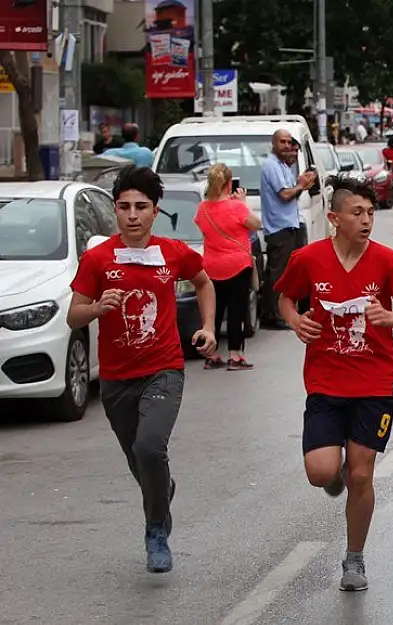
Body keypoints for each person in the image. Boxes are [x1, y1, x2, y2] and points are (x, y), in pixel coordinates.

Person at [274, 176, 393, 591]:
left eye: (368, 213)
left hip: (374, 385)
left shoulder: (386, 261)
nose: (365, 221)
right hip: (325, 383)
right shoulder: (308, 259)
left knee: (362, 475)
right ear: (334, 218)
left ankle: (355, 558)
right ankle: (334, 473)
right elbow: (286, 298)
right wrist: (295, 321)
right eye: (356, 213)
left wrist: (391, 317)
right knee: (320, 471)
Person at [67, 165, 218, 573]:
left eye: (141, 207)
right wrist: (98, 307)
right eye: (124, 207)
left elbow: (204, 282)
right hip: (117, 379)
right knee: (141, 462)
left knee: (150, 447)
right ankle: (161, 491)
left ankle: (155, 531)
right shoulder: (98, 259)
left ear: (155, 211)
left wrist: (206, 327)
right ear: (115, 211)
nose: (132, 215)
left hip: (164, 368)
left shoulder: (173, 253)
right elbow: (73, 316)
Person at [195, 164, 262, 370]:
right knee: (237, 310)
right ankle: (235, 355)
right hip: (237, 265)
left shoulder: (203, 208)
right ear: (229, 184)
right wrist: (242, 202)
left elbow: (201, 225)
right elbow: (256, 224)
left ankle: (212, 354)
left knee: (214, 310)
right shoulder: (237, 207)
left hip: (212, 266)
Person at [260, 130, 317, 329]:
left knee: (289, 271)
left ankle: (280, 311)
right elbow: (285, 194)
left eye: (288, 143)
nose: (286, 146)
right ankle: (275, 315)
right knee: (278, 274)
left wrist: (303, 183)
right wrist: (301, 185)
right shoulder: (271, 165)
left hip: (289, 224)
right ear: (274, 144)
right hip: (279, 228)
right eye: (282, 142)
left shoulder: (283, 166)